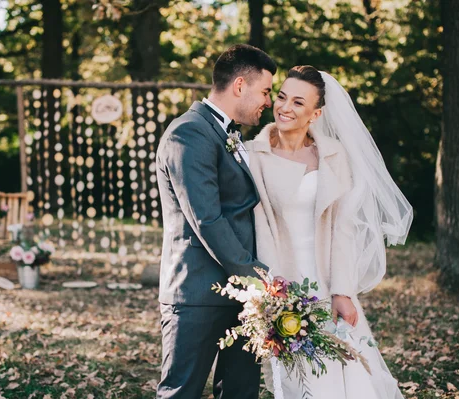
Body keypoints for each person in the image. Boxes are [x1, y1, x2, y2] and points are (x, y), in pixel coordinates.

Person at [245, 65, 413, 398]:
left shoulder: (334, 155)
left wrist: (343, 291)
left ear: (316, 113)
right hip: (283, 283)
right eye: (280, 97)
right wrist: (270, 293)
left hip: (328, 280)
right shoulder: (253, 155)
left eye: (297, 102)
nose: (284, 108)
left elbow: (343, 227)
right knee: (301, 380)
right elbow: (257, 227)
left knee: (348, 371)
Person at [155, 44, 277, 399]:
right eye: (266, 91)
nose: (268, 102)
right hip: (197, 293)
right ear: (240, 85)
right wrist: (259, 278)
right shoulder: (188, 133)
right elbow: (206, 218)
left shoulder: (229, 134)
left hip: (241, 296)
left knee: (240, 393)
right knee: (181, 392)